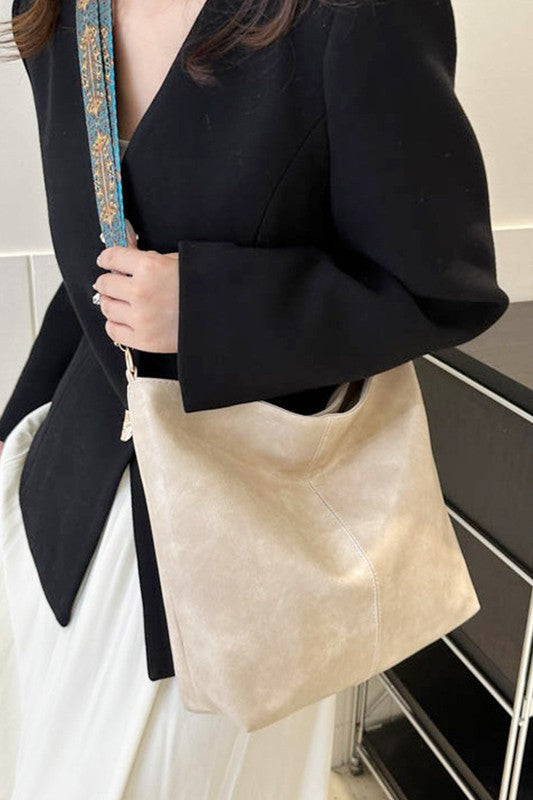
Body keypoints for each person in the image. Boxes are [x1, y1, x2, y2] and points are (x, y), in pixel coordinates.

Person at [0, 0, 509, 797]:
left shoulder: (360, 14)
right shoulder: (57, 10)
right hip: (69, 516)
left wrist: (208, 307)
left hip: (246, 556)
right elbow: (94, 267)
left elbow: (441, 289)